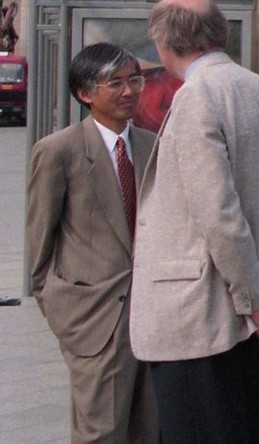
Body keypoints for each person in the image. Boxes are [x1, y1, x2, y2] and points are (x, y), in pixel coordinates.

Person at [130, 0, 259, 442]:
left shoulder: (196, 96)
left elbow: (217, 210)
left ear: (164, 42)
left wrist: (255, 295)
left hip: (198, 318)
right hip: (253, 321)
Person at [26, 43, 159, 442]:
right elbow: (39, 244)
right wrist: (64, 311)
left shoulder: (154, 146)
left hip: (153, 317)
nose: (129, 91)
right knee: (100, 431)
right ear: (85, 93)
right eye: (114, 82)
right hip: (93, 318)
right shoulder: (58, 151)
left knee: (150, 429)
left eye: (134, 80)